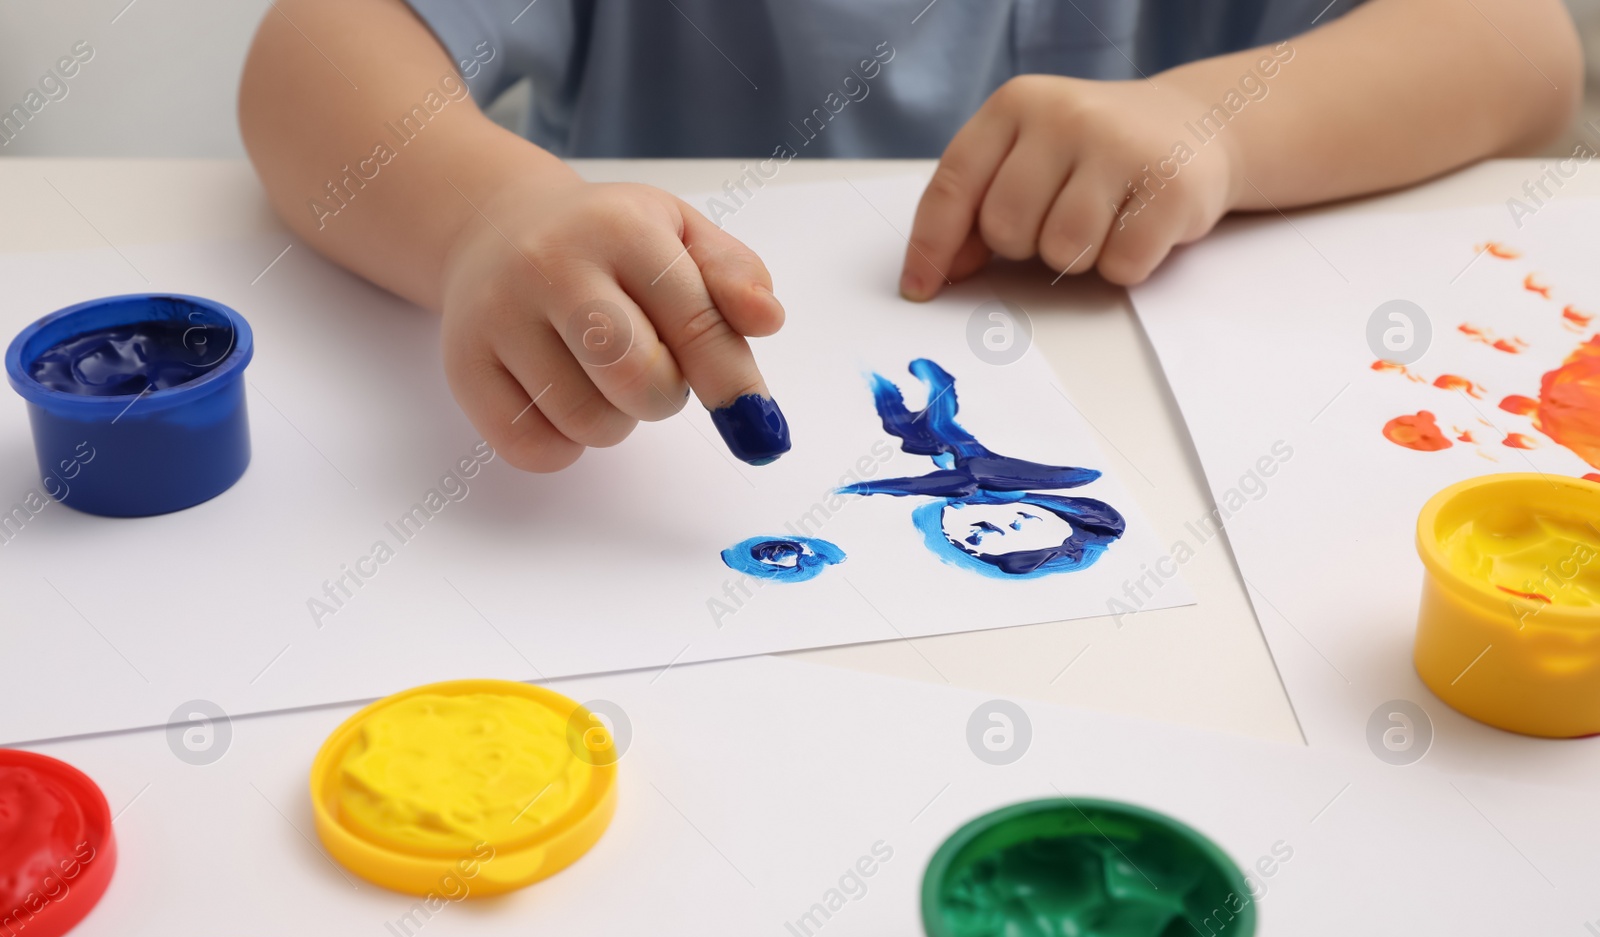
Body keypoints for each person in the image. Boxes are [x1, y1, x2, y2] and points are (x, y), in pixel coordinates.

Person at [239, 0, 1581, 473]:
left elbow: (1521, 46)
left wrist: (1220, 125)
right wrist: (486, 212)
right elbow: (314, 54)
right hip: (663, 484)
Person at [837, 359, 1125, 577]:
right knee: (938, 426)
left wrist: (866, 487)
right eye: (1018, 521)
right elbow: (910, 485)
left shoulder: (964, 493)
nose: (995, 524)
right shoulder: (1033, 483)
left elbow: (911, 485)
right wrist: (868, 487)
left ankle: (896, 385)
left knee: (914, 432)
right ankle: (929, 383)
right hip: (969, 460)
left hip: (955, 461)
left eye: (975, 536)